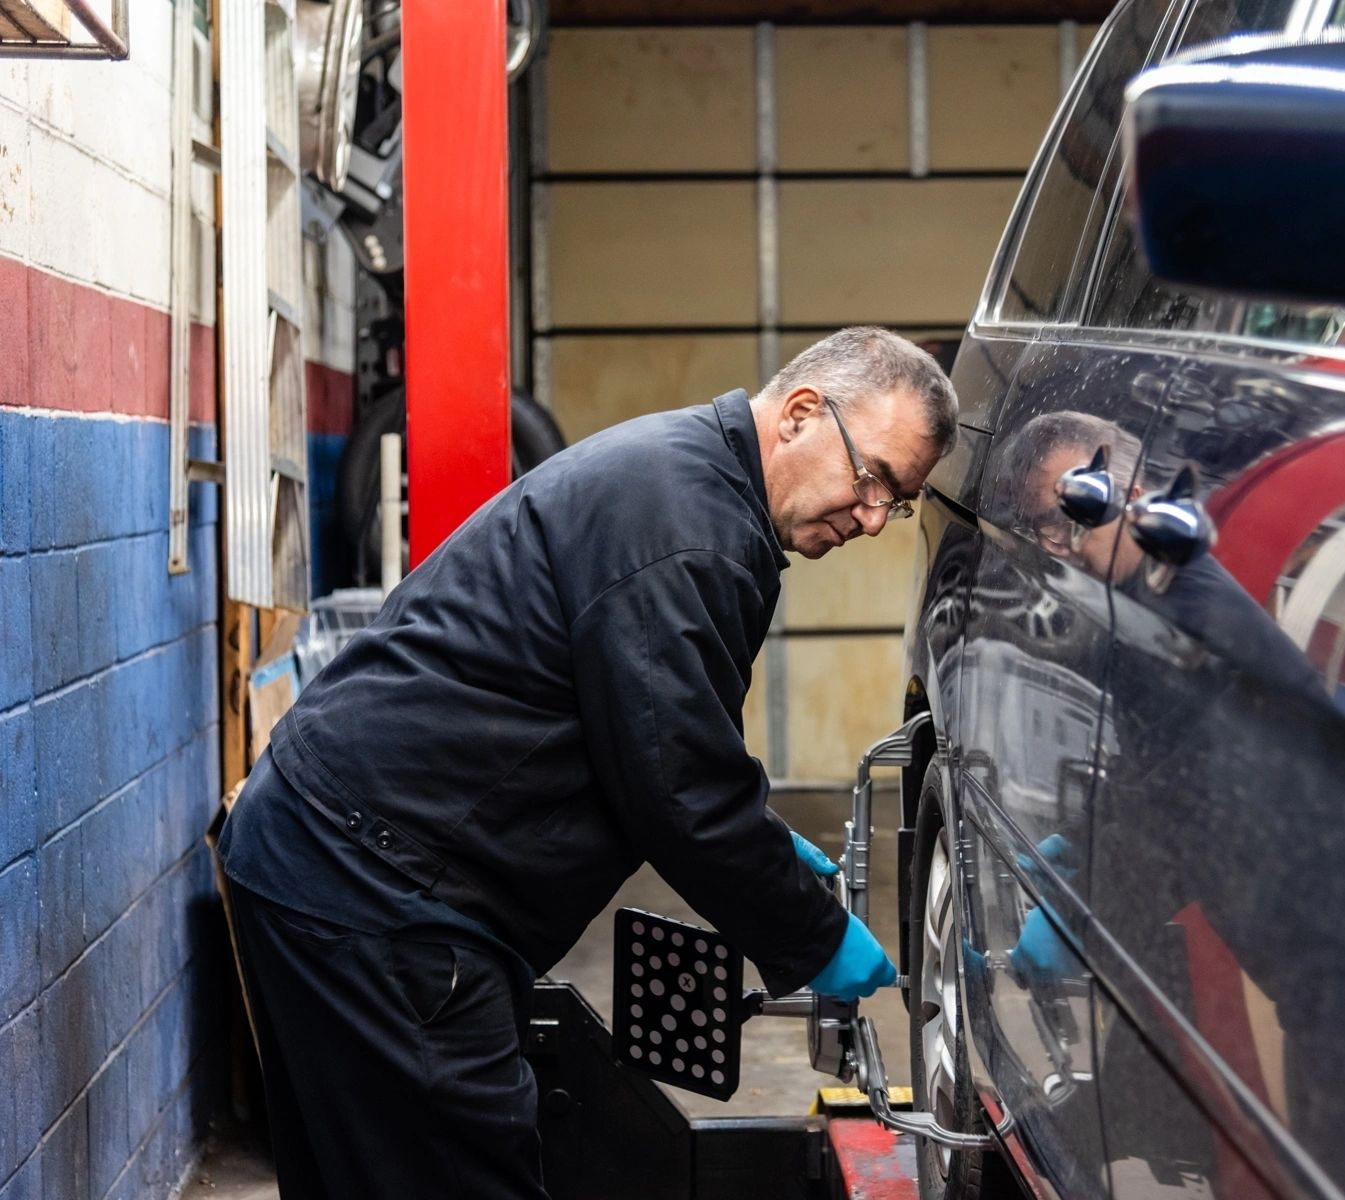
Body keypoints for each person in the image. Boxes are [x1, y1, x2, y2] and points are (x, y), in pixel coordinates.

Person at [216, 327, 958, 1199]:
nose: (871, 517)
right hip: (375, 889)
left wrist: (758, 839)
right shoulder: (689, 532)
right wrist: (813, 933)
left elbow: (660, 742)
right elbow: (679, 788)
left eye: (896, 502)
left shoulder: (689, 480)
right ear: (800, 413)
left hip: (338, 854)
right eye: (872, 478)